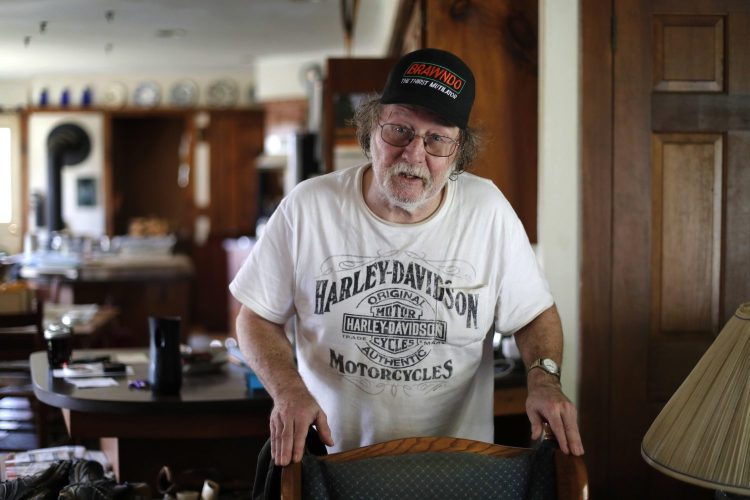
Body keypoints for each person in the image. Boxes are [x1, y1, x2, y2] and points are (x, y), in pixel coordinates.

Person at [230, 48, 584, 467]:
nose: (414, 155)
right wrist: (288, 389)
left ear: (458, 154)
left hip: (457, 471)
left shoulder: (487, 210)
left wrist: (544, 378)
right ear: (370, 130)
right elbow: (254, 316)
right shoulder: (309, 206)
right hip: (333, 466)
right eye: (399, 130)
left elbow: (534, 315)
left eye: (437, 139)